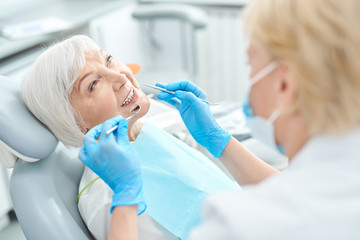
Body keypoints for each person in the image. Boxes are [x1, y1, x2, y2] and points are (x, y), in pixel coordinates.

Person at [79, 0, 360, 239]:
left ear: (284, 86)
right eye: (92, 84)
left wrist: (126, 198)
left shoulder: (236, 226)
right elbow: (296, 190)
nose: (121, 76)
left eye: (251, 64)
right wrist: (220, 140)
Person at [21, 35, 243, 240]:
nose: (120, 76)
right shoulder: (106, 197)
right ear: (74, 121)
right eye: (93, 84)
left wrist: (216, 139)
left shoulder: (145, 131)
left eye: (108, 60)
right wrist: (125, 192)